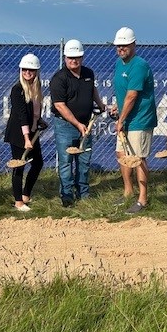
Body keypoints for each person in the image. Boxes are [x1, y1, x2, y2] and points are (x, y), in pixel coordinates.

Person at [51, 39, 106, 207]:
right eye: (70, 58)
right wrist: (76, 124)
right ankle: (67, 194)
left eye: (77, 57)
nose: (73, 61)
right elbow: (60, 105)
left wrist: (100, 104)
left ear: (82, 57)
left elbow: (92, 90)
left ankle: (83, 192)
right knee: (66, 161)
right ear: (65, 57)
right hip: (65, 126)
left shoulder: (89, 73)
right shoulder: (59, 78)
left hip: (86, 123)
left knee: (84, 160)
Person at [112, 27, 157, 214]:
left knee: (138, 159)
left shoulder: (139, 65)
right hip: (126, 118)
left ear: (133, 44)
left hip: (139, 119)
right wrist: (117, 106)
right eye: (118, 46)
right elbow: (122, 92)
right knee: (121, 155)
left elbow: (131, 96)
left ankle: (142, 199)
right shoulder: (118, 64)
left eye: (125, 45)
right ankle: (128, 191)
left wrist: (121, 119)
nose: (121, 49)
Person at [4, 53, 45, 212]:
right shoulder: (17, 89)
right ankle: (18, 202)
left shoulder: (36, 87)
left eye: (31, 70)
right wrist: (27, 138)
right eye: (25, 69)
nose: (28, 72)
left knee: (38, 163)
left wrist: (39, 120)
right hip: (19, 134)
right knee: (19, 165)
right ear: (20, 70)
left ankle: (26, 194)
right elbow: (21, 116)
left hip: (33, 130)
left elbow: (34, 110)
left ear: (36, 72)